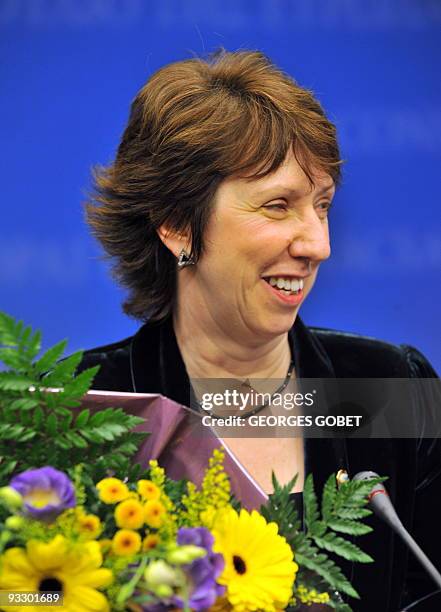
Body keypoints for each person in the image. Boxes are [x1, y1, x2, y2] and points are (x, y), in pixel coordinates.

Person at [79, 50, 441, 611]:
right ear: (176, 224)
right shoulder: (82, 408)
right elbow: (26, 594)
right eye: (278, 206)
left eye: (322, 207)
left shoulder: (394, 389)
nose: (318, 244)